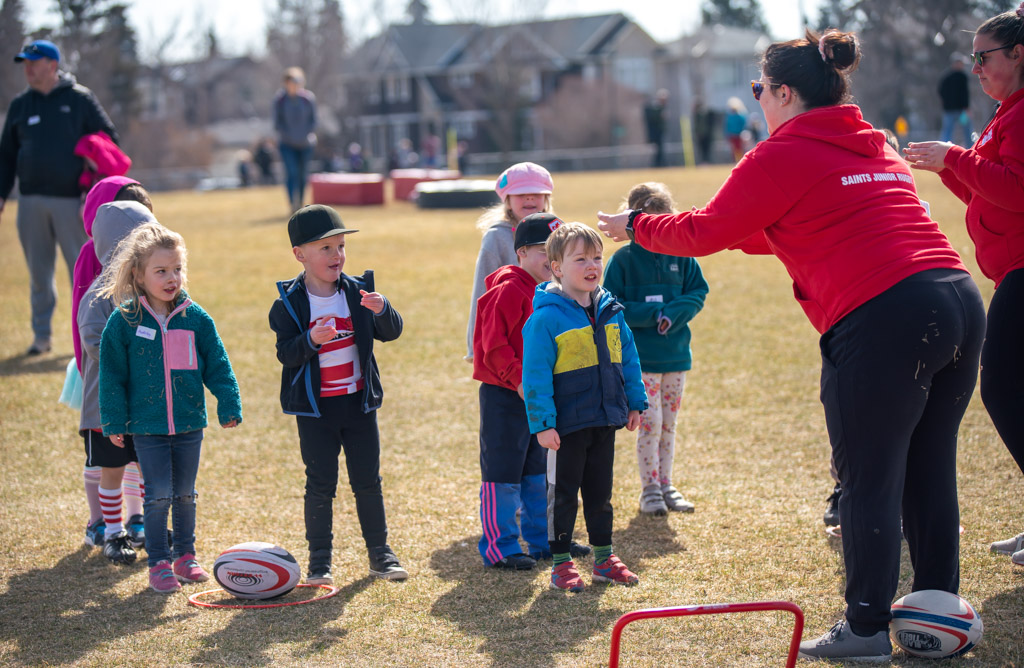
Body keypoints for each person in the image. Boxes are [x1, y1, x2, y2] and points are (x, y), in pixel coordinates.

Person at [598, 29, 985, 661]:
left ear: (783, 92)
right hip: (958, 300)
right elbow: (777, 228)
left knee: (869, 479)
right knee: (928, 462)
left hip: (884, 315)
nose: (757, 103)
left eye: (759, 90)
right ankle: (936, 610)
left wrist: (637, 228)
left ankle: (864, 630)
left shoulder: (780, 153)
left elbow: (708, 230)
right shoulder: (869, 140)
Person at [904, 3, 1024, 568]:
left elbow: (1017, 191)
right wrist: (950, 167)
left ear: (1018, 55)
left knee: (1002, 389)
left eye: (984, 57)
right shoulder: (1007, 112)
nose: (975, 68)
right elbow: (986, 197)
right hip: (1013, 272)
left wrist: (955, 156)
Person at [98, 222, 242, 593]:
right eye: (161, 271)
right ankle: (159, 563)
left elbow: (218, 364)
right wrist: (113, 420)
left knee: (185, 493)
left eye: (177, 269)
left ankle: (185, 555)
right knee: (158, 492)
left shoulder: (196, 318)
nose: (171, 278)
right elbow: (111, 375)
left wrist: (228, 403)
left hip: (190, 422)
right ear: (139, 275)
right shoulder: (125, 321)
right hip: (147, 427)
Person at [268, 204, 408, 584]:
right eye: (325, 248)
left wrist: (383, 310)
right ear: (300, 255)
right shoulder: (288, 304)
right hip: (316, 412)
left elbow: (391, 331)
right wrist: (310, 340)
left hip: (358, 404)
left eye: (341, 246)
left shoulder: (359, 292)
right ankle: (320, 562)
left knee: (368, 481)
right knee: (320, 484)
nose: (337, 256)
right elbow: (286, 353)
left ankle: (380, 554)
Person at [522, 222, 648, 592]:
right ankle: (561, 564)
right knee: (563, 495)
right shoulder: (545, 318)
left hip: (604, 418)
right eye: (581, 259)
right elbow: (536, 376)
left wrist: (635, 401)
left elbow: (629, 359)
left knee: (600, 494)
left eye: (597, 257)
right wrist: (543, 423)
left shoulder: (611, 310)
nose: (592, 266)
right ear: (557, 267)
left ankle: (604, 559)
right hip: (564, 427)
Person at [0, 39, 118, 356]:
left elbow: (108, 137)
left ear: (52, 66)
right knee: (39, 274)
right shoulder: (20, 106)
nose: (27, 69)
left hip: (72, 203)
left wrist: (93, 164)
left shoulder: (79, 99)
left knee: (83, 274)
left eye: (33, 63)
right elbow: (6, 156)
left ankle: (93, 335)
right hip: (30, 202)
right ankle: (42, 337)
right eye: (24, 63)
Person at [602, 183, 708, 516]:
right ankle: (649, 490)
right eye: (649, 223)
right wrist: (652, 315)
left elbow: (697, 292)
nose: (657, 231)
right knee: (649, 424)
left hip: (676, 358)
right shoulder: (622, 261)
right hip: (640, 362)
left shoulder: (683, 257)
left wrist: (673, 314)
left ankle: (666, 485)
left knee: (668, 425)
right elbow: (609, 305)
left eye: (663, 224)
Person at [473, 212, 562, 570]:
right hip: (506, 395)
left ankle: (542, 541)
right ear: (521, 253)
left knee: (537, 471)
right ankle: (501, 547)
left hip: (536, 395)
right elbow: (493, 347)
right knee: (503, 473)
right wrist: (519, 380)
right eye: (542, 250)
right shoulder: (508, 289)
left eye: (556, 251)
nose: (549, 259)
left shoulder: (553, 293)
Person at [72, 177, 153, 552]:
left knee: (141, 462)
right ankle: (109, 529)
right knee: (110, 466)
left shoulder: (151, 289)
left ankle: (139, 522)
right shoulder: (100, 293)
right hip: (106, 402)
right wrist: (134, 354)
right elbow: (92, 340)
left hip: (143, 402)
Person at [465, 162, 555, 361]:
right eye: (521, 194)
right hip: (509, 330)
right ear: (507, 200)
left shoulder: (556, 233)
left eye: (537, 193)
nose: (530, 198)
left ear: (546, 198)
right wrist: (475, 346)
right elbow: (482, 291)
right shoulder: (496, 237)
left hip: (548, 327)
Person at [273, 67, 317, 212]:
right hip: (287, 144)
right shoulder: (280, 101)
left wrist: (305, 135)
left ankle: (302, 203)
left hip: (305, 144)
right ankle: (292, 203)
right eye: (291, 82)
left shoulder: (308, 99)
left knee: (303, 174)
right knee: (292, 172)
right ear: (286, 83)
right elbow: (277, 123)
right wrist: (289, 137)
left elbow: (313, 121)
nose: (294, 85)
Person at [938, 55, 974, 146]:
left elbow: (940, 91)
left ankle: (944, 147)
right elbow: (964, 94)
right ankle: (970, 147)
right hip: (960, 110)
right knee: (966, 131)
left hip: (950, 109)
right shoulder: (962, 76)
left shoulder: (946, 77)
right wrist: (967, 108)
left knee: (948, 132)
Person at [644, 89, 670, 167]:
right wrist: (661, 116)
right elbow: (652, 118)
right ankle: (658, 164)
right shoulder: (656, 107)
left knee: (660, 149)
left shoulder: (662, 107)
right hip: (655, 132)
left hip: (660, 132)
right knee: (657, 149)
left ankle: (660, 164)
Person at [723, 97, 748, 162]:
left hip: (739, 135)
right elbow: (727, 126)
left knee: (740, 149)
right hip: (732, 135)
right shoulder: (730, 116)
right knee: (734, 150)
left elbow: (744, 125)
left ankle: (741, 161)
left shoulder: (741, 115)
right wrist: (727, 134)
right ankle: (736, 161)